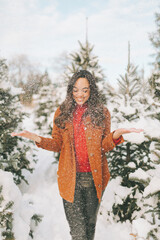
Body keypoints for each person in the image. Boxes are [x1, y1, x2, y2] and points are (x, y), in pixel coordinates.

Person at [11, 70, 143, 240]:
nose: (79, 94)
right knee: (78, 233)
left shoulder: (102, 112)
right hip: (70, 179)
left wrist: (116, 135)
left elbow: (103, 146)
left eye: (85, 90)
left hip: (94, 178)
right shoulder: (62, 112)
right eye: (75, 90)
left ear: (91, 90)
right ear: (70, 90)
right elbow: (57, 144)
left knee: (89, 229)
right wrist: (37, 138)